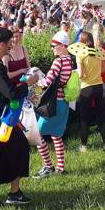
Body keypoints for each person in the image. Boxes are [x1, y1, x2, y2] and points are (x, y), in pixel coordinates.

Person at [0, 27, 39, 209]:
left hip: (1, 115)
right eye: (9, 44)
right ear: (1, 44)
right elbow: (10, 93)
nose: (11, 47)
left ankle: (14, 192)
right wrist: (27, 83)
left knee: (19, 146)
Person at [34, 31, 73, 178]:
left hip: (54, 104)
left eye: (54, 45)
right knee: (56, 135)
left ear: (62, 45)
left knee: (37, 135)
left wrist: (35, 80)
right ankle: (61, 168)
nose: (52, 48)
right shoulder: (70, 60)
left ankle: (48, 166)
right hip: (64, 103)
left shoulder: (58, 61)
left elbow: (47, 82)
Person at [70, 31, 105, 152]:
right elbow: (103, 70)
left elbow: (81, 74)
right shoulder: (98, 52)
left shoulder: (80, 54)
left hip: (86, 88)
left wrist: (75, 73)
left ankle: (84, 146)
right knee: (101, 116)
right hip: (99, 87)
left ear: (82, 41)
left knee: (84, 118)